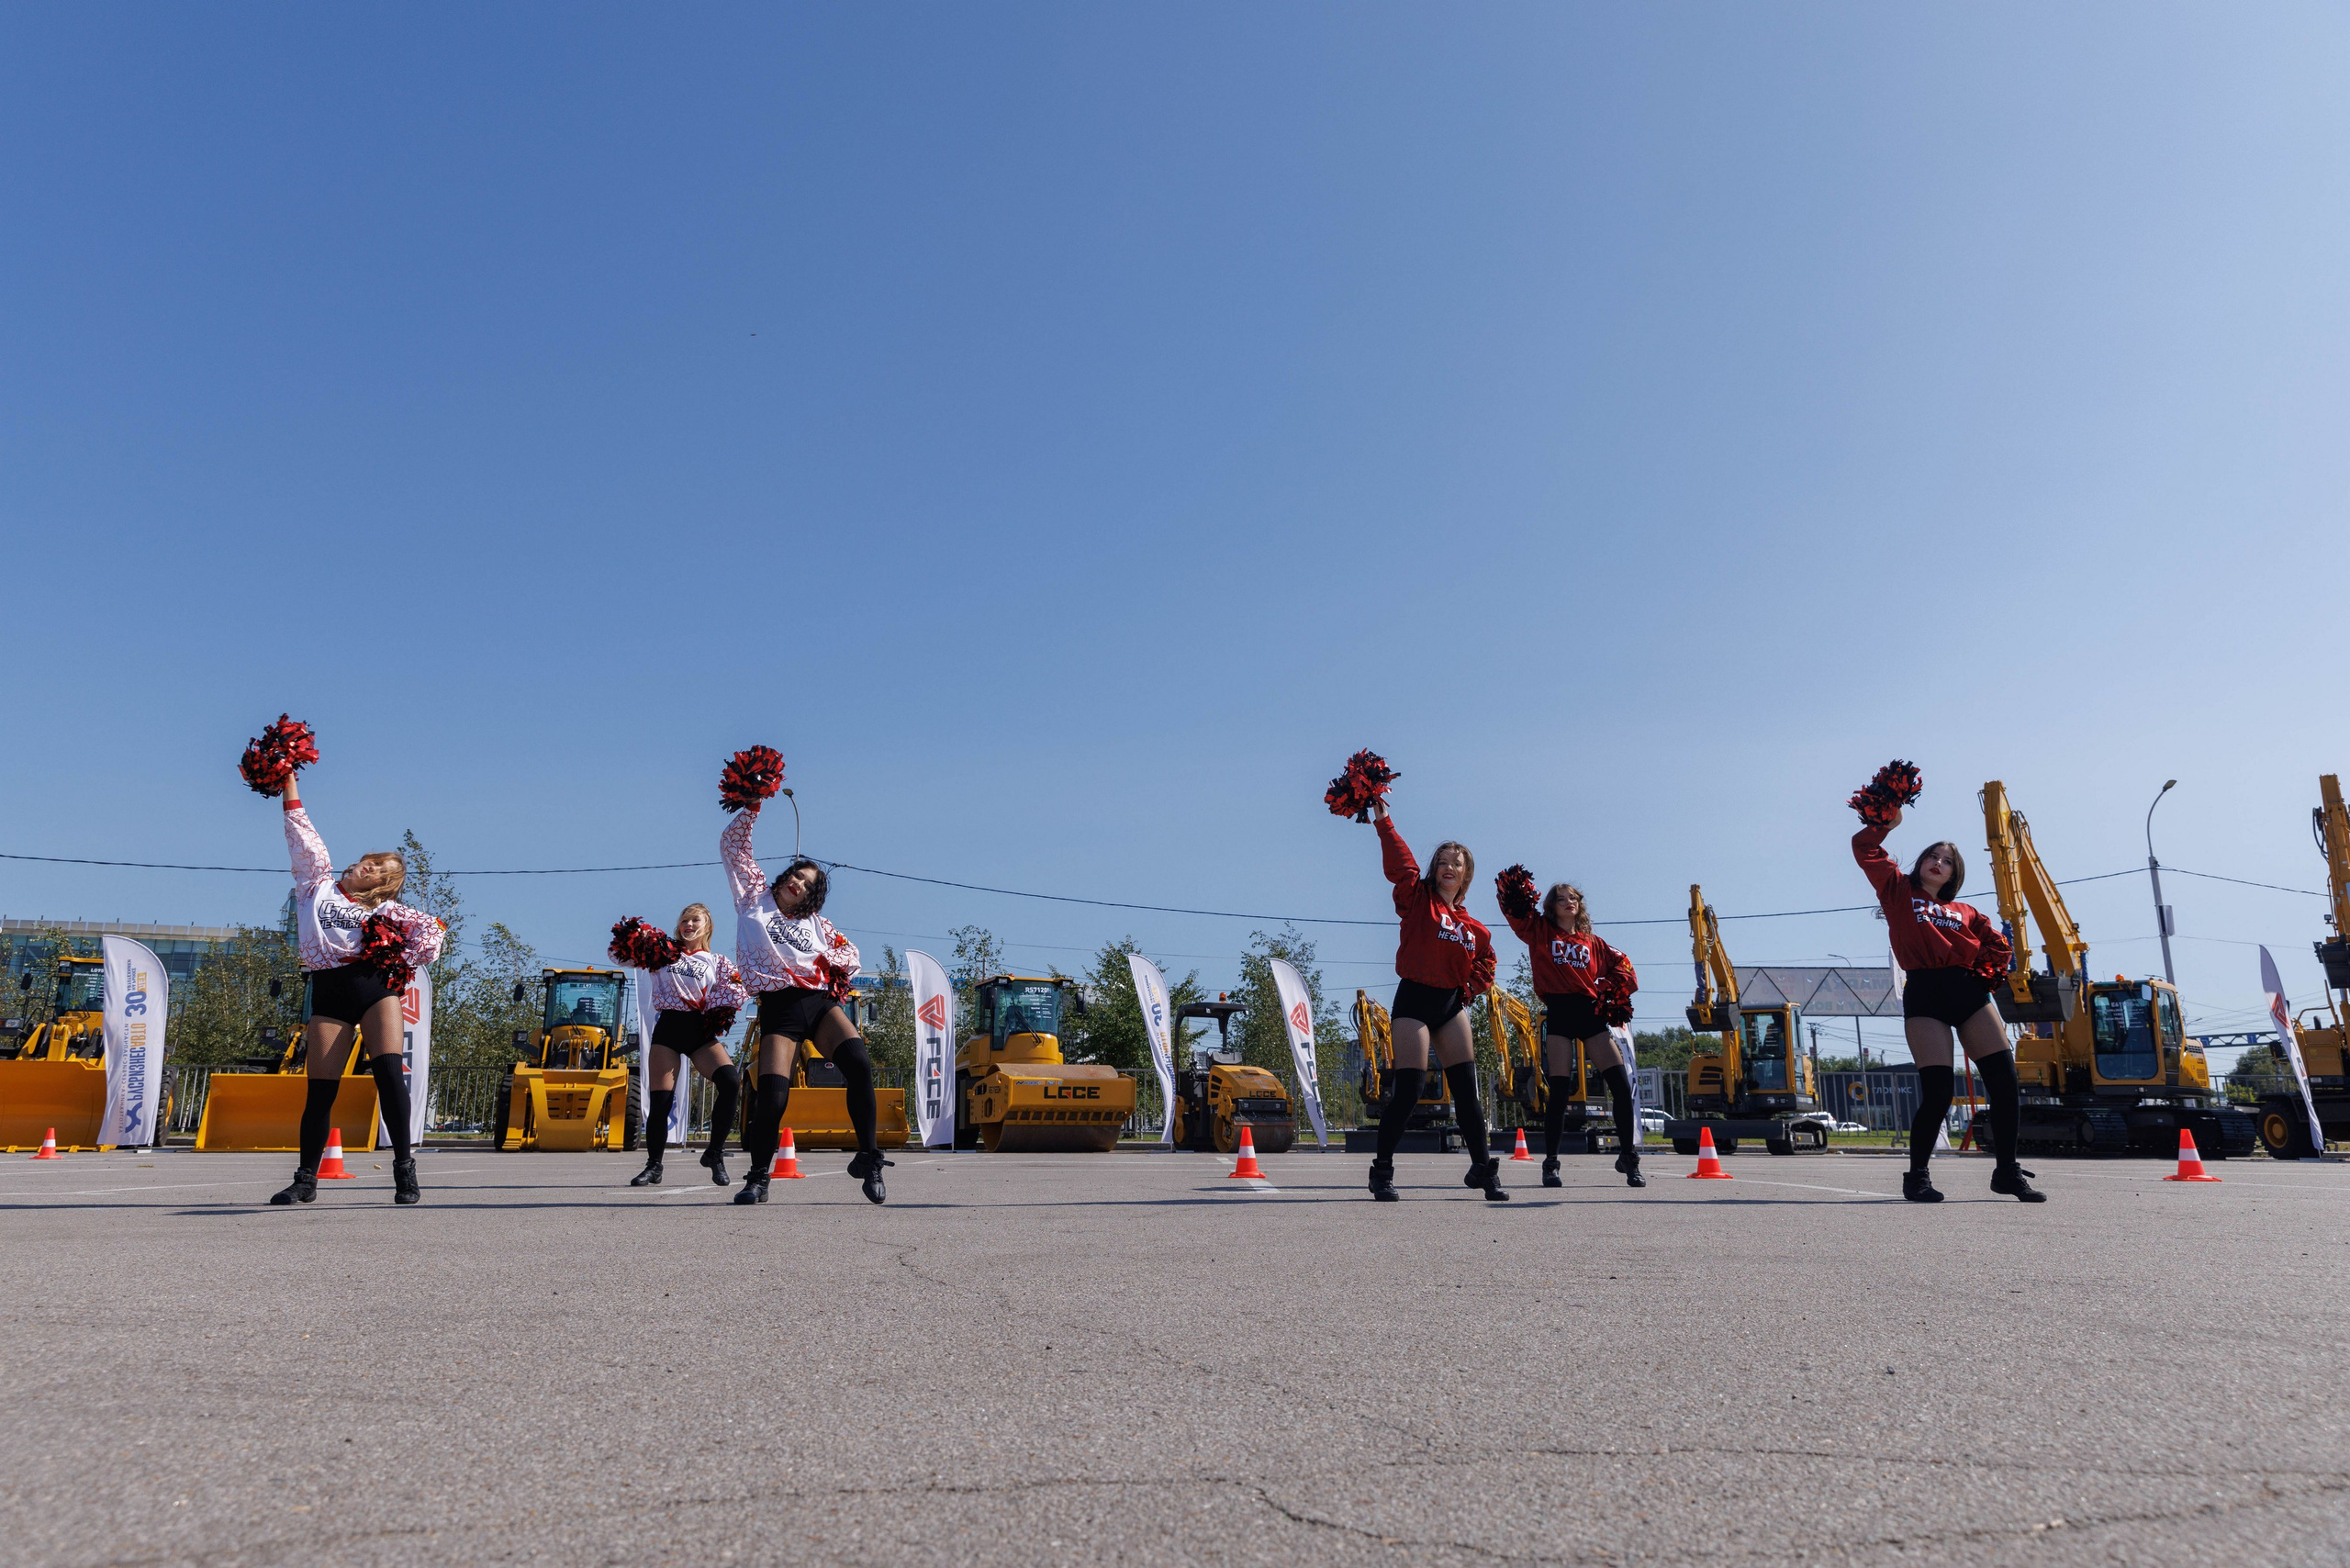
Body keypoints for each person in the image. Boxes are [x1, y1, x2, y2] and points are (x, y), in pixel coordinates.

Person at [269, 774, 444, 1206]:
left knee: (388, 1077)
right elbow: (302, 834)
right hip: (327, 989)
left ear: (382, 885)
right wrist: (288, 780)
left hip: (373, 988)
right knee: (320, 1089)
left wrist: (398, 955)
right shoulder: (316, 885)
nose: (370, 867)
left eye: (381, 871)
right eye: (372, 860)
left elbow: (432, 939)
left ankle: (405, 1173)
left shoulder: (387, 910)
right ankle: (305, 1180)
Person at [1855, 804, 2042, 1202]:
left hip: (1970, 993)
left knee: (2005, 1085)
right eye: (1933, 857)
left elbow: (1998, 946)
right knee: (1939, 1092)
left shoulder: (1965, 911)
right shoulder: (1897, 890)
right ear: (1920, 862)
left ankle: (2006, 1173)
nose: (1938, 863)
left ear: (1955, 874)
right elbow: (1863, 846)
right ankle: (1917, 1177)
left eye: (1947, 862)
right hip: (1925, 993)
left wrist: (1982, 974)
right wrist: (1885, 819)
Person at [722, 801, 890, 1204]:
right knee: (773, 1095)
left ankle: (868, 1157)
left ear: (812, 898)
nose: (799, 882)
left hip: (818, 1003)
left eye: (809, 884)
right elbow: (733, 846)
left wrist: (828, 960)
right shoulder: (753, 898)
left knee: (860, 1064)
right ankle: (758, 1179)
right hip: (779, 1007)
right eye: (797, 874)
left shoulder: (818, 925)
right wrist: (752, 804)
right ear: (785, 877)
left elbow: (852, 954)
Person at [1364, 799, 1505, 1202]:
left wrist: (1467, 991)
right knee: (1409, 1090)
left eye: (1456, 863)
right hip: (1414, 999)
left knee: (1466, 1091)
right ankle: (1382, 1171)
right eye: (1443, 861)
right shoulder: (1417, 896)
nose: (1448, 867)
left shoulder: (1474, 928)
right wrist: (1383, 820)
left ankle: (1482, 1169)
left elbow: (1487, 964)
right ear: (1434, 868)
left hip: (1450, 1004)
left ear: (1466, 874)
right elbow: (1400, 862)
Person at [1498, 881, 1644, 1188]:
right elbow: (1513, 913)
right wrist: (1511, 891)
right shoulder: (1539, 931)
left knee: (1619, 1083)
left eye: (1574, 898)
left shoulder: (1594, 942)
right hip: (1560, 1013)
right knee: (1560, 1093)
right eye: (1561, 899)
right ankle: (1551, 1164)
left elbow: (1625, 967)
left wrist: (1607, 991)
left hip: (1590, 1013)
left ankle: (1629, 1159)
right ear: (1551, 905)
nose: (1568, 902)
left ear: (1580, 904)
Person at [627, 904, 748, 1188]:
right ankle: (654, 1166)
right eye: (684, 920)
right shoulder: (664, 952)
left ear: (707, 926)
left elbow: (738, 991)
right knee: (661, 1102)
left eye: (695, 920)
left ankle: (715, 1153)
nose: (689, 924)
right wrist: (634, 939)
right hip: (668, 1028)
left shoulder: (717, 961)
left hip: (699, 1031)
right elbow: (621, 956)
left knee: (730, 1081)